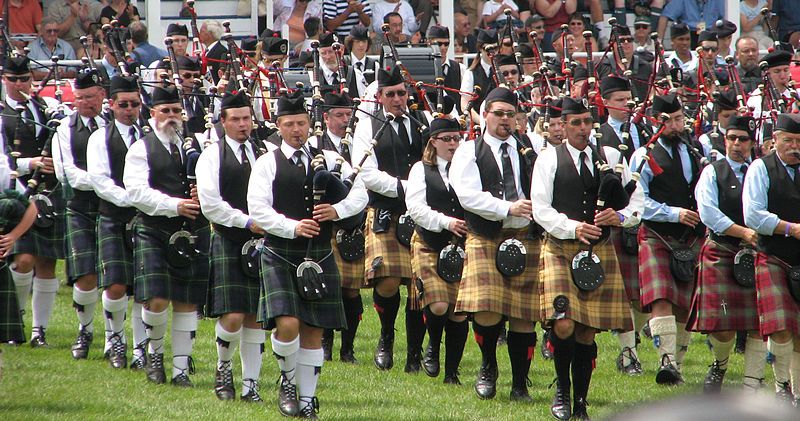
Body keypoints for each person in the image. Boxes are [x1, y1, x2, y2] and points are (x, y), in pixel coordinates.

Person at [247, 90, 367, 418]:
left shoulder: (329, 158)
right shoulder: (266, 163)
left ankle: (307, 399)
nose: (297, 130)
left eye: (301, 123)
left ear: (309, 122)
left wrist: (337, 211)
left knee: (314, 329)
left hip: (320, 255)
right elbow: (257, 208)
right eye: (289, 124)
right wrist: (293, 227)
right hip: (281, 251)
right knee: (287, 324)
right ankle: (287, 382)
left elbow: (360, 195)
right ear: (278, 126)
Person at [533, 96, 643, 421]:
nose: (582, 129)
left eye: (586, 122)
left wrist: (620, 218)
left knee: (587, 331)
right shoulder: (548, 159)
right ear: (562, 126)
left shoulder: (609, 156)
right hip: (560, 246)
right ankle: (562, 392)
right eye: (575, 123)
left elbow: (637, 201)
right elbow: (540, 208)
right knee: (564, 324)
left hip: (599, 252)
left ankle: (581, 401)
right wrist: (572, 227)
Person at [449, 87, 541, 401]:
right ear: (485, 114)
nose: (504, 120)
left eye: (510, 115)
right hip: (487, 236)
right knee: (486, 309)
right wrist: (507, 208)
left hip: (526, 236)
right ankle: (488, 365)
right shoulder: (469, 150)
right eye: (498, 113)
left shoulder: (531, 147)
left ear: (518, 117)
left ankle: (519, 384)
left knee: (524, 316)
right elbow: (467, 195)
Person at [124, 85, 209, 387]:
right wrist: (175, 205)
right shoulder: (141, 148)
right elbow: (136, 192)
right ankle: (155, 354)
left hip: (192, 231)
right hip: (155, 228)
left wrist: (204, 194)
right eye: (166, 111)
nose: (172, 117)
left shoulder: (196, 145)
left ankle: (181, 369)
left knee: (187, 301)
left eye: (176, 111)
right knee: (157, 300)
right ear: (153, 113)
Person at [351, 65, 428, 374]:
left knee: (418, 285)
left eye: (401, 93)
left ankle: (414, 353)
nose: (397, 99)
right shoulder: (368, 125)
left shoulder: (421, 123)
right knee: (388, 280)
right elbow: (366, 171)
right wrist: (406, 188)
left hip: (419, 212)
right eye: (391, 94)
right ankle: (385, 335)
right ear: (380, 96)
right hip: (385, 210)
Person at [630, 93, 707, 386]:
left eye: (679, 119)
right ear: (656, 122)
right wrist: (674, 214)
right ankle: (667, 361)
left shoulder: (695, 148)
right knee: (661, 297)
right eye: (670, 121)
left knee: (686, 303)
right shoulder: (643, 155)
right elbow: (637, 201)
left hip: (691, 236)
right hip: (657, 234)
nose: (677, 126)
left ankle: (679, 364)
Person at [195, 91, 268, 402]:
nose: (242, 124)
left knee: (257, 316)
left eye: (247, 118)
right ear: (222, 122)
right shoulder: (212, 156)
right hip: (230, 238)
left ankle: (251, 384)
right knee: (234, 314)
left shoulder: (264, 152)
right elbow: (211, 204)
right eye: (235, 119)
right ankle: (223, 369)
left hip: (264, 242)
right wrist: (247, 222)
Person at [689, 115, 768, 394]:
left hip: (761, 253)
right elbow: (708, 212)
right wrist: (743, 233)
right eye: (731, 138)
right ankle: (719, 363)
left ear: (751, 142)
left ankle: (751, 384)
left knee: (760, 323)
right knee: (721, 327)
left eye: (743, 139)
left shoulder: (761, 170)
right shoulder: (713, 171)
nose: (736, 144)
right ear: (725, 140)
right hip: (722, 250)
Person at [86, 75, 149, 370]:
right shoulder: (100, 137)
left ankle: (140, 349)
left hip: (144, 221)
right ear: (111, 105)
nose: (129, 109)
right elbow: (100, 182)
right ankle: (114, 340)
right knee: (115, 285)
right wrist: (135, 199)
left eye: (134, 104)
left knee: (141, 288)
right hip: (113, 216)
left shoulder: (148, 137)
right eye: (123, 104)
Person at [3, 56, 62, 348]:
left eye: (24, 78)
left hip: (48, 194)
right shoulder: (1, 114)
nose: (19, 84)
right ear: (4, 79)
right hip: (17, 194)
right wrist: (31, 163)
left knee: (47, 262)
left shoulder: (43, 108)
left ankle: (40, 331)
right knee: (24, 260)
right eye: (13, 79)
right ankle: (18, 319)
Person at [405, 117, 469, 385]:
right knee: (439, 304)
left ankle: (452, 373)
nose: (453, 144)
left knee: (459, 311)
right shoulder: (421, 169)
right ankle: (432, 345)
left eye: (457, 138)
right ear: (434, 142)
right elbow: (416, 208)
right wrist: (447, 222)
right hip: (429, 241)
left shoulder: (468, 169)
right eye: (447, 139)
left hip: (462, 246)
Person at [743, 112, 800, 403]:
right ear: (774, 140)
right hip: (774, 255)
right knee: (780, 327)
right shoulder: (760, 168)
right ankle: (781, 388)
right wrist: (791, 229)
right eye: (788, 140)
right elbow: (753, 215)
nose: (794, 147)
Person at [52, 70, 106, 360]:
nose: (86, 103)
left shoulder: (113, 124)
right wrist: (105, 183)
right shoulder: (65, 129)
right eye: (81, 98)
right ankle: (84, 329)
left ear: (101, 95)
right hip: (80, 208)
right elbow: (66, 173)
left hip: (112, 209)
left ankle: (115, 338)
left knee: (115, 276)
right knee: (86, 275)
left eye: (91, 97)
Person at [311, 91, 365, 364]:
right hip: (319, 226)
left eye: (348, 115)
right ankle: (325, 344)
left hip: (349, 224)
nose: (345, 121)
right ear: (326, 117)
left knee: (351, 290)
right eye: (339, 115)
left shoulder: (357, 147)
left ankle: (348, 348)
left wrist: (339, 210)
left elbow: (361, 191)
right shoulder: (313, 145)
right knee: (326, 287)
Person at [427, 26, 471, 115]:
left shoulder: (460, 69)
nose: (443, 47)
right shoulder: (424, 70)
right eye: (439, 44)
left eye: (446, 44)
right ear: (429, 43)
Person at [657, 0, 726, 47]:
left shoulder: (719, 1)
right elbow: (665, 16)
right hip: (689, 33)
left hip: (710, 34)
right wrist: (659, 41)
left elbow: (725, 19)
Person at [344, 25, 376, 99]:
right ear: (351, 43)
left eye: (364, 41)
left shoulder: (375, 65)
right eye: (357, 42)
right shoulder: (344, 63)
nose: (361, 45)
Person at [200, 20, 228, 86]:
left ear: (210, 34)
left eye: (202, 31)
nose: (199, 34)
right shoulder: (206, 51)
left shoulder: (222, 52)